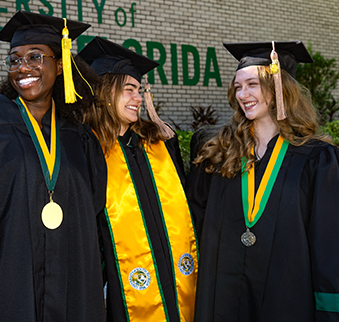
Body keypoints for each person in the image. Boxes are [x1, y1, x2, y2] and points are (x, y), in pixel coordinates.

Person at [0, 10, 107, 321]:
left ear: (60, 66)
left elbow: (94, 209)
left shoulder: (79, 137)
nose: (23, 68)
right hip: (4, 288)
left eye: (35, 57)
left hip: (73, 286)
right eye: (14, 60)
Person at [188, 41, 339, 322]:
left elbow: (328, 245)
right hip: (222, 298)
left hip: (286, 299)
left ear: (277, 89)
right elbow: (192, 222)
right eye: (237, 87)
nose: (243, 94)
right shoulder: (218, 152)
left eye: (252, 84)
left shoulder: (316, 159)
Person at [77, 36, 198, 322]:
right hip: (122, 289)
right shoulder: (86, 149)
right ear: (105, 91)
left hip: (178, 280)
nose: (139, 98)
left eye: (140, 90)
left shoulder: (157, 144)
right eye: (130, 89)